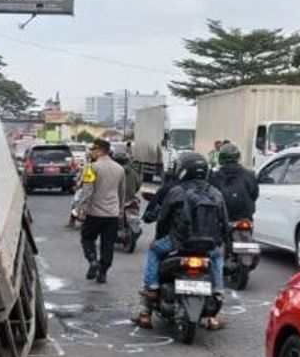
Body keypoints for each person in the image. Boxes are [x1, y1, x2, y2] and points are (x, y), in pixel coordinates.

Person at [136, 152, 229, 328]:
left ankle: (152, 288)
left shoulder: (176, 191)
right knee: (217, 256)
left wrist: (160, 238)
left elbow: (163, 220)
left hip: (179, 243)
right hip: (207, 246)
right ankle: (217, 290)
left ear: (183, 170)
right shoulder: (215, 193)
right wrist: (221, 240)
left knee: (154, 250)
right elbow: (224, 221)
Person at [75, 139, 126, 284]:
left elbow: (87, 191)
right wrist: (120, 210)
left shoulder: (91, 167)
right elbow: (121, 192)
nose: (91, 152)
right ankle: (103, 272)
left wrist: (82, 209)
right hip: (112, 214)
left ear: (100, 150)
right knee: (108, 244)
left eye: (93, 149)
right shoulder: (119, 169)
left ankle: (92, 261)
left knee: (87, 238)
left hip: (94, 213)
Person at [209, 142, 258, 222]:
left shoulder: (214, 176)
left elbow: (210, 195)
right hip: (245, 216)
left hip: (222, 218)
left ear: (221, 158)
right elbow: (254, 194)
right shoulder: (249, 174)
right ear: (238, 157)